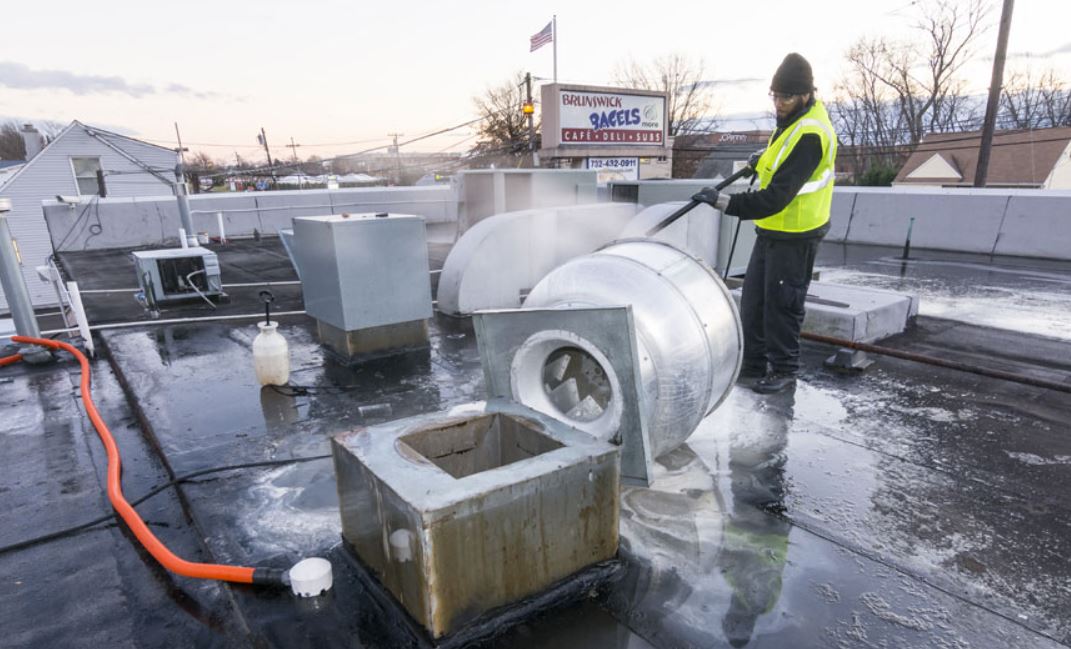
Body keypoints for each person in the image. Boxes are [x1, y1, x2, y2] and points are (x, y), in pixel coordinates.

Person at [692, 52, 838, 394]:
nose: (779, 103)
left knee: (782, 305)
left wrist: (723, 202)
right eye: (775, 96)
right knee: (754, 301)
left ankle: (784, 369)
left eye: (785, 97)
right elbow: (776, 163)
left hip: (797, 233)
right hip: (773, 229)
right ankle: (752, 364)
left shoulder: (811, 134)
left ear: (805, 94)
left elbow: (775, 196)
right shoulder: (790, 124)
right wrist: (759, 161)